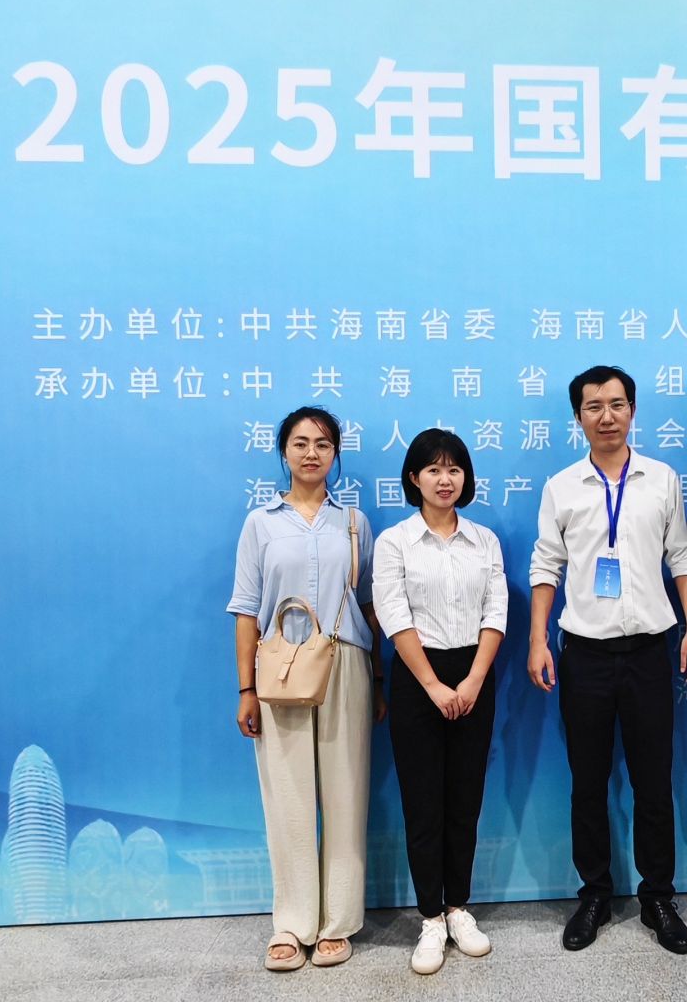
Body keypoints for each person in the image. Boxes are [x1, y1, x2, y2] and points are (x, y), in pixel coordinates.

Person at [526, 364, 687, 955]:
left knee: (655, 780)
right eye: (594, 407)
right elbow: (546, 564)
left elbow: (682, 556)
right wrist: (537, 639)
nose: (607, 416)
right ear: (577, 417)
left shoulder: (660, 479)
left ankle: (658, 897)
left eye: (617, 404)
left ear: (632, 410)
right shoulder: (562, 486)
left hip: (650, 651)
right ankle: (595, 895)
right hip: (584, 655)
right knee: (588, 782)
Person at [229, 406, 385, 971]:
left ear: (335, 454)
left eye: (322, 443)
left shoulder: (355, 523)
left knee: (346, 794)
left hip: (346, 662)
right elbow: (246, 610)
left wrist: (381, 677)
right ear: (284, 452)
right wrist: (246, 689)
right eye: (300, 443)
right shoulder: (260, 523)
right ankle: (292, 924)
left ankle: (338, 923)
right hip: (280, 668)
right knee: (289, 800)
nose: (311, 453)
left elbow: (370, 604)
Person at [373, 428, 507, 975]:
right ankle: (430, 916)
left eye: (454, 469)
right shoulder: (394, 542)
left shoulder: (484, 540)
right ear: (414, 478)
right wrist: (432, 685)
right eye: (433, 469)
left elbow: (496, 610)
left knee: (464, 799)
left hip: (474, 675)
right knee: (423, 802)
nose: (444, 479)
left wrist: (473, 679)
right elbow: (393, 614)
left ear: (465, 478)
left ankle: (459, 909)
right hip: (416, 677)